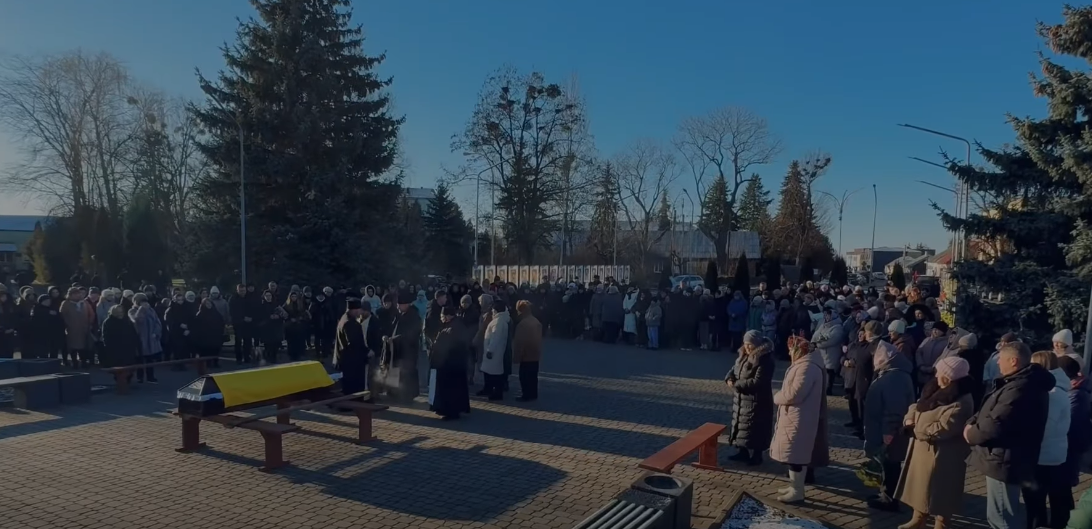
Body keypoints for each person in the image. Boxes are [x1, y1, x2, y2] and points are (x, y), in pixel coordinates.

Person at [964, 341, 1054, 529]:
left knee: (1002, 519)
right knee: (1001, 515)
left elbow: (996, 424)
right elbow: (987, 411)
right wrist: (972, 423)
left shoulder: (1020, 388)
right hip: (1006, 458)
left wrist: (971, 434)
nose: (998, 362)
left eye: (1001, 359)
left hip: (1005, 460)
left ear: (1013, 361)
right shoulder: (1018, 383)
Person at [895, 357, 975, 529]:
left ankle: (942, 524)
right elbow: (917, 405)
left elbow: (944, 428)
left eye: (939, 371)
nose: (936, 374)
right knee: (921, 486)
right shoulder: (934, 388)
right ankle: (918, 518)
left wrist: (916, 429)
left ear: (949, 376)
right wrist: (909, 419)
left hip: (944, 454)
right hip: (923, 449)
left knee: (942, 490)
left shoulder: (962, 400)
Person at [769, 335, 824, 503]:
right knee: (795, 454)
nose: (789, 353)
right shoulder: (806, 364)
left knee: (795, 455)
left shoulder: (807, 367)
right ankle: (795, 486)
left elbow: (795, 394)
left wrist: (777, 397)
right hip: (797, 416)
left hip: (799, 417)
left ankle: (797, 490)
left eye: (791, 349)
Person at [1021, 352, 1073, 529]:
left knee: (1036, 504)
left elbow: (1045, 427)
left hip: (1043, 455)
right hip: (1053, 453)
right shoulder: (1057, 389)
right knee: (1050, 501)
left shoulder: (1052, 393)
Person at [863, 339, 916, 512]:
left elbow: (894, 409)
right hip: (886, 429)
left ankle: (889, 498)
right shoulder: (893, 373)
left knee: (890, 463)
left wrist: (888, 431)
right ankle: (885, 493)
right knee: (887, 463)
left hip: (890, 431)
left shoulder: (895, 377)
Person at [725, 330, 775, 466]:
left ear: (757, 344)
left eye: (750, 344)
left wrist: (736, 384)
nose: (747, 347)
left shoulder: (765, 359)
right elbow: (734, 369)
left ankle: (757, 456)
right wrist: (729, 378)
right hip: (741, 399)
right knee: (742, 426)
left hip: (758, 401)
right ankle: (743, 452)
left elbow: (758, 381)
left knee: (756, 428)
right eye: (745, 343)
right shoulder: (743, 355)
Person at [428, 306, 471, 420]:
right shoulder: (456, 325)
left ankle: (451, 412)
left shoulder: (452, 329)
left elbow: (445, 346)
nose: (441, 318)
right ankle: (449, 410)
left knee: (450, 390)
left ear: (447, 316)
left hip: (450, 365)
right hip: (455, 364)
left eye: (442, 316)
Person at [333, 299, 371, 397]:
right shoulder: (350, 323)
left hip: (346, 361)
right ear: (355, 310)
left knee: (348, 387)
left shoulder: (343, 318)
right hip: (352, 362)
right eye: (359, 310)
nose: (360, 312)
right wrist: (367, 351)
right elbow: (354, 343)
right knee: (354, 389)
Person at [480, 298, 511, 401]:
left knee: (495, 373)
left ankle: (497, 393)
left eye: (493, 309)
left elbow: (495, 337)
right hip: (495, 351)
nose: (492, 311)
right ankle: (488, 389)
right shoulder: (500, 320)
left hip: (494, 352)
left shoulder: (498, 322)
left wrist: (490, 350)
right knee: (489, 372)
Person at [512, 300, 543, 402]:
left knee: (524, 376)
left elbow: (519, 342)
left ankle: (526, 395)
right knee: (533, 376)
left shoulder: (522, 324)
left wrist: (517, 356)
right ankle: (533, 393)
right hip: (535, 353)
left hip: (525, 355)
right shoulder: (535, 321)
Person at [128, 293, 162, 383]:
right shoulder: (132, 311)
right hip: (140, 338)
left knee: (150, 359)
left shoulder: (151, 310)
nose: (144, 303)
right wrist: (141, 309)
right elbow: (136, 320)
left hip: (151, 338)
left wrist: (156, 332)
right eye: (141, 301)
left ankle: (150, 377)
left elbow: (157, 322)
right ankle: (140, 377)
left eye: (145, 301)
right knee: (140, 359)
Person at [811, 307, 843, 395]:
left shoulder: (837, 327)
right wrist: (814, 342)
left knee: (829, 372)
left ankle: (828, 389)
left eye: (829, 315)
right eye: (826, 315)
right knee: (822, 371)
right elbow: (816, 335)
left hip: (831, 354)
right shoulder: (823, 325)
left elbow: (832, 340)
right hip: (821, 354)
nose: (827, 317)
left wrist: (817, 344)